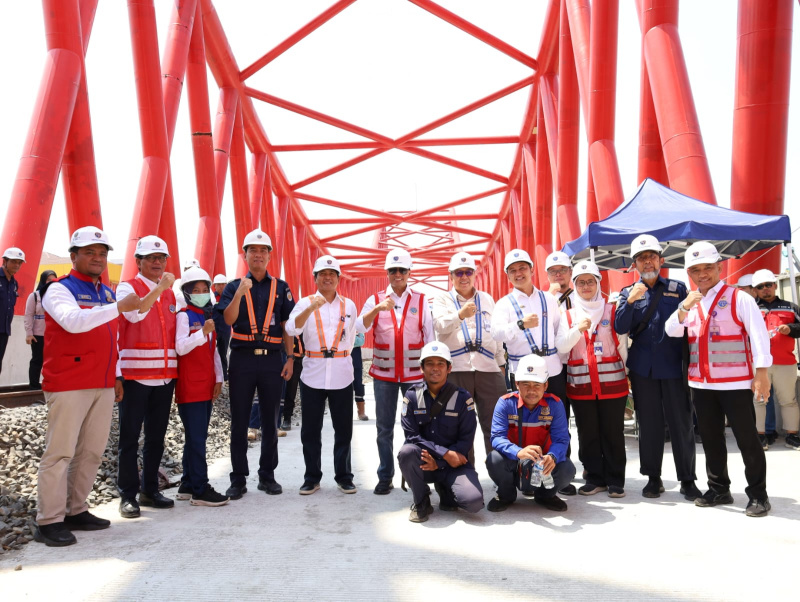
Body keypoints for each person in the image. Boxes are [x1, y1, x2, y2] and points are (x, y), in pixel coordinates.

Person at [33, 226, 141, 547]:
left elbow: (113, 338)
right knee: (60, 452)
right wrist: (117, 308)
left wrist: (117, 374)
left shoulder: (106, 292)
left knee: (91, 451)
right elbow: (73, 322)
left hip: (103, 383)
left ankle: (75, 509)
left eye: (102, 253)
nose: (97, 258)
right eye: (90, 252)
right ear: (74, 256)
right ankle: (48, 520)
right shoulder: (58, 289)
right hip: (68, 382)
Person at [665, 241, 772, 517]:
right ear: (689, 273)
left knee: (747, 440)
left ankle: (758, 495)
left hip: (735, 384)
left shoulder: (740, 298)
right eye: (695, 270)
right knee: (711, 439)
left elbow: (759, 337)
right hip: (701, 385)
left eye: (708, 268)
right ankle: (719, 489)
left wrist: (762, 373)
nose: (702, 274)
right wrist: (683, 308)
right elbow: (672, 330)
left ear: (719, 267)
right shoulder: (691, 303)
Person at [614, 234, 700, 500]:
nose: (647, 261)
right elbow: (620, 327)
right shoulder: (627, 292)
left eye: (651, 256)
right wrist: (629, 302)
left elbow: (690, 323)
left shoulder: (678, 287)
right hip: (643, 370)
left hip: (674, 367)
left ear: (661, 260)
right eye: (641, 258)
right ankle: (653, 478)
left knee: (681, 424)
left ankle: (687, 479)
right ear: (634, 264)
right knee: (649, 425)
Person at [215, 229, 295, 499]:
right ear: (245, 255)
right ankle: (238, 479)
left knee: (271, 422)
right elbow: (227, 320)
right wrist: (239, 293)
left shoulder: (281, 287)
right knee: (239, 421)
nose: (258, 255)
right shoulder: (232, 286)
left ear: (270, 256)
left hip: (272, 360)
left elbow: (287, 326)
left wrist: (291, 358)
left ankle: (267, 476)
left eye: (263, 251)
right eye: (253, 250)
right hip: (242, 359)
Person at [490, 249, 574, 495]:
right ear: (507, 275)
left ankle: (558, 471)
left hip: (552, 369)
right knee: (521, 423)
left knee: (559, 421)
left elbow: (559, 330)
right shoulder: (504, 304)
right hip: (522, 373)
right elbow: (495, 334)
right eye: (513, 270)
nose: (518, 273)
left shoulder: (548, 299)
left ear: (531, 270)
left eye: (522, 268)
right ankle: (520, 469)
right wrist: (519, 325)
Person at [357, 248, 434, 495]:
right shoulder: (376, 299)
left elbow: (430, 338)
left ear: (409, 272)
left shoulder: (421, 300)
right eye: (393, 270)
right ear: (387, 273)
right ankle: (385, 476)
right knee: (384, 428)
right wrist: (378, 309)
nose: (398, 274)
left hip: (415, 377)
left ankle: (418, 476)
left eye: (402, 270)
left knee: (419, 428)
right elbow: (359, 326)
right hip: (384, 376)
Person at [286, 255, 361, 495]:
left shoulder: (348, 305)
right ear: (315, 278)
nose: (327, 278)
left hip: (341, 373)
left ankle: (344, 476)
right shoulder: (304, 302)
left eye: (332, 274)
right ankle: (311, 477)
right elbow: (291, 328)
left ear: (338, 279)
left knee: (343, 429)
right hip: (313, 374)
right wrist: (310, 308)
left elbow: (350, 335)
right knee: (310, 429)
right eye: (322, 274)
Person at [115, 235, 178, 519]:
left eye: (161, 258)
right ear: (138, 261)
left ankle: (149, 490)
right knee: (129, 438)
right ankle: (127, 495)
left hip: (164, 378)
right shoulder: (127, 287)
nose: (157, 262)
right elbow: (135, 314)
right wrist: (160, 287)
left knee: (156, 438)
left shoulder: (171, 294)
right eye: (151, 258)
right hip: (136, 376)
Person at [555, 261, 628, 497]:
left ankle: (616, 479)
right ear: (574, 286)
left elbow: (623, 347)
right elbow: (561, 349)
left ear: (598, 284)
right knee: (588, 433)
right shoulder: (568, 315)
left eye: (590, 281)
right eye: (581, 282)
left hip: (613, 385)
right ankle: (595, 477)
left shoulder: (612, 310)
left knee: (613, 432)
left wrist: (628, 376)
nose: (586, 286)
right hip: (581, 386)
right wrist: (577, 329)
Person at [397, 342, 484, 522]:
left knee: (473, 503)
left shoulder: (463, 398)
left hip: (453, 464)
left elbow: (466, 440)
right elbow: (412, 436)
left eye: (440, 364)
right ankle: (421, 500)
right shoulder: (412, 396)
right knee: (406, 452)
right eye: (429, 363)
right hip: (425, 463)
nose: (435, 368)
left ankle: (445, 488)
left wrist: (442, 463)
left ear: (449, 368)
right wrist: (443, 454)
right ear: (422, 367)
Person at [431, 251, 505, 455]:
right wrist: (459, 315)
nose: (464, 277)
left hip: (488, 369)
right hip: (457, 369)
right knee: (459, 428)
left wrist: (501, 365)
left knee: (495, 426)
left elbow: (496, 334)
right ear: (451, 276)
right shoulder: (442, 299)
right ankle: (465, 478)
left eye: (468, 272)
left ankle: (500, 475)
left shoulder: (488, 299)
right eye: (459, 272)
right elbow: (439, 326)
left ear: (474, 274)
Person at [485, 354, 575, 512]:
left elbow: (561, 439)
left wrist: (552, 456)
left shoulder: (555, 404)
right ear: (517, 383)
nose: (531, 390)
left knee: (567, 468)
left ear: (546, 385)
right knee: (494, 459)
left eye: (537, 385)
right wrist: (518, 452)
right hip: (514, 460)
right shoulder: (505, 403)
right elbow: (497, 438)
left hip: (542, 464)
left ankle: (545, 495)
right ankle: (505, 495)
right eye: (526, 384)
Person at [174, 266, 228, 507]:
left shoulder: (208, 317)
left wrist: (219, 378)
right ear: (187, 293)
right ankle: (200, 488)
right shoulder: (184, 316)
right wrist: (201, 333)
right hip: (190, 384)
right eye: (195, 290)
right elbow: (180, 347)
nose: (201, 293)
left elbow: (214, 350)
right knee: (197, 438)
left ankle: (187, 483)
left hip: (205, 383)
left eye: (204, 289)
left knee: (197, 436)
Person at [751, 269, 800, 450]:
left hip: (785, 362)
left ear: (775, 286)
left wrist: (791, 329)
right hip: (758, 364)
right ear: (755, 290)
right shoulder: (751, 307)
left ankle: (792, 436)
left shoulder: (791, 307)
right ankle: (760, 436)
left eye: (768, 285)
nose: (765, 289)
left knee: (788, 400)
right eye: (760, 287)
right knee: (759, 400)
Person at [544, 250, 579, 494]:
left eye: (563, 270)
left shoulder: (584, 295)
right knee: (558, 420)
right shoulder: (543, 299)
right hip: (556, 367)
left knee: (585, 420)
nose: (558, 274)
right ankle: (560, 467)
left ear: (571, 271)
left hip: (581, 365)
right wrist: (550, 298)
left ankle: (590, 469)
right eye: (553, 271)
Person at [24, 270, 57, 389]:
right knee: (37, 360)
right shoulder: (34, 296)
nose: (51, 282)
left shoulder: (57, 296)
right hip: (38, 334)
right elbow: (28, 315)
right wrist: (29, 333)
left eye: (53, 280)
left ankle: (49, 384)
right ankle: (33, 386)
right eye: (48, 280)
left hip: (53, 335)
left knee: (52, 361)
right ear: (43, 280)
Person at [0, 247, 25, 374]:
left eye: (19, 262)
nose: (17, 265)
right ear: (4, 261)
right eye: (14, 261)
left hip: (4, 330)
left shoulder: (14, 283)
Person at [279, 335, 304, 431]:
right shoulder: (290, 326)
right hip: (293, 361)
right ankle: (287, 419)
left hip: (307, 361)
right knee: (290, 392)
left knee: (307, 393)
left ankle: (308, 419)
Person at [212, 273, 231, 382]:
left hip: (225, 330)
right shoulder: (210, 297)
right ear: (214, 286)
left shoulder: (229, 297)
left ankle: (224, 375)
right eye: (218, 285)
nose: (221, 287)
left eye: (223, 284)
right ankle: (213, 375)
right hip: (213, 330)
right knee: (211, 353)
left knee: (223, 353)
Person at [352, 332, 368, 421]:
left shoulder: (357, 326)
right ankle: (345, 412)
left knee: (358, 385)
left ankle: (361, 412)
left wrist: (348, 338)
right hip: (342, 361)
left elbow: (361, 341)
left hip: (356, 361)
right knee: (344, 388)